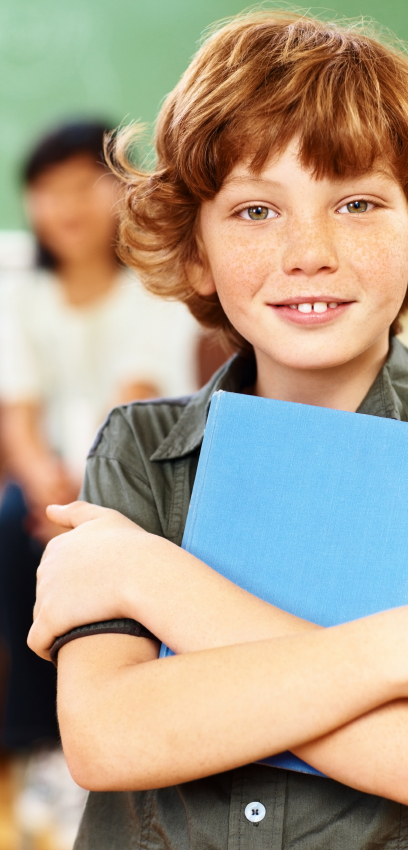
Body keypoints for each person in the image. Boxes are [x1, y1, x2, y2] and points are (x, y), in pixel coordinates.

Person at [28, 14, 408, 850]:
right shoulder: (135, 448)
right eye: (253, 211)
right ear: (196, 250)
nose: (307, 250)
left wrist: (148, 578)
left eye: (355, 202)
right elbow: (106, 736)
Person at [0, 119, 198, 847]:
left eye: (86, 184)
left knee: (114, 547)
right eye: (47, 190)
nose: (67, 205)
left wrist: (85, 501)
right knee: (14, 528)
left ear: (126, 190)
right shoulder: (18, 299)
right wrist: (50, 493)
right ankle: (44, 749)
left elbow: (134, 403)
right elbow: (18, 419)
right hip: (48, 487)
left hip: (144, 479)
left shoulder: (155, 290)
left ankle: (138, 739)